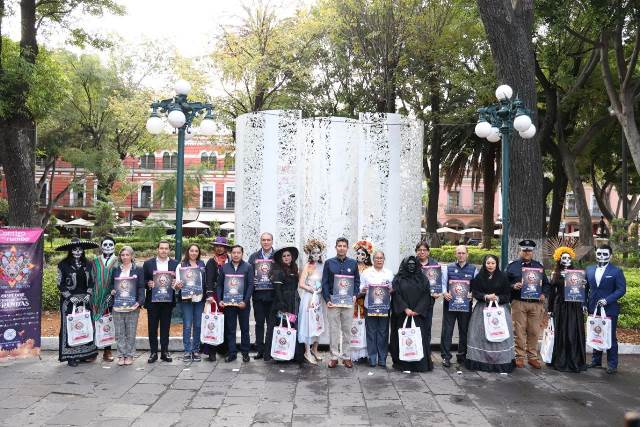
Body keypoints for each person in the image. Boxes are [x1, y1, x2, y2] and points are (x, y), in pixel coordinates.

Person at [465, 255, 514, 373]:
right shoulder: (479, 277)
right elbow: (475, 292)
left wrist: (497, 298)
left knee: (499, 333)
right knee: (480, 334)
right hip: (483, 309)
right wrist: (485, 296)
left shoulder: (503, 277)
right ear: (484, 264)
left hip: (499, 309)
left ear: (496, 264)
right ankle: (480, 360)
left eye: (493, 263)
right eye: (488, 263)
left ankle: (500, 361)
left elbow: (507, 295)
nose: (490, 265)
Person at [506, 240, 550, 369]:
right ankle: (519, 356)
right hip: (519, 302)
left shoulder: (538, 266)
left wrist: (544, 294)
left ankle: (532, 357)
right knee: (518, 331)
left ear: (532, 252)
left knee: (534, 331)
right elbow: (504, 283)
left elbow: (546, 284)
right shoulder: (512, 266)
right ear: (520, 251)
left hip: (535, 303)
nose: (527, 252)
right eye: (524, 250)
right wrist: (513, 286)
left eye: (529, 250)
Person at [55, 238, 99, 366]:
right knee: (70, 326)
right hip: (69, 301)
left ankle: (86, 354)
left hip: (85, 300)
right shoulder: (62, 265)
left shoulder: (88, 263)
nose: (78, 252)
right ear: (70, 250)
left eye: (80, 249)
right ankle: (71, 356)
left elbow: (92, 281)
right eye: (74, 249)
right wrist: (69, 297)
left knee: (85, 325)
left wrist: (89, 294)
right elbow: (60, 283)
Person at [586, 244, 627, 374]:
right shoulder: (589, 269)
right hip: (593, 308)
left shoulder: (616, 271)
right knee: (596, 333)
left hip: (609, 309)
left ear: (610, 255)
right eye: (599, 253)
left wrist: (607, 300)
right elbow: (585, 288)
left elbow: (621, 289)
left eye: (605, 254)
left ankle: (612, 364)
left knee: (610, 336)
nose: (602, 256)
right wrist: (584, 304)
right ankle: (596, 360)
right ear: (596, 254)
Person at [389, 256, 433, 372]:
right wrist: (405, 308)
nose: (411, 266)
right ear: (404, 266)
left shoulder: (423, 278)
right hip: (402, 315)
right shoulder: (398, 279)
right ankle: (403, 364)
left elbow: (426, 295)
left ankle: (419, 364)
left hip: (418, 315)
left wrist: (418, 310)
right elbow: (396, 295)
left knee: (419, 338)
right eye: (409, 264)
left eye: (413, 264)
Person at [322, 237, 360, 368]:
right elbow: (324, 282)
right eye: (339, 246)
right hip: (333, 301)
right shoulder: (329, 263)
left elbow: (357, 281)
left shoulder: (353, 263)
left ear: (347, 248)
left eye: (344, 246)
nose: (342, 248)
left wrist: (355, 294)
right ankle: (334, 356)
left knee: (347, 330)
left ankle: (346, 356)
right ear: (336, 247)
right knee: (333, 330)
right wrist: (327, 299)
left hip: (348, 301)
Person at [547, 246, 586, 373]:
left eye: (569, 258)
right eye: (564, 258)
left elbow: (582, 291)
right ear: (559, 259)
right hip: (561, 306)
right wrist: (550, 309)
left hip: (574, 306)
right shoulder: (555, 273)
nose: (567, 260)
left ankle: (574, 360)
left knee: (573, 332)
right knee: (562, 331)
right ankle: (561, 360)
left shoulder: (578, 273)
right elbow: (552, 293)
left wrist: (583, 285)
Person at [265, 245, 304, 363]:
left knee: (292, 326)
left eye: (288, 255)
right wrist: (282, 304)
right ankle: (280, 354)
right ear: (280, 258)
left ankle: (292, 353)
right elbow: (277, 289)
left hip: (293, 301)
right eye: (284, 256)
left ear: (292, 257)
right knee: (281, 326)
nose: (286, 257)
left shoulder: (294, 269)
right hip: (282, 302)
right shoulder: (278, 271)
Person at [440, 245, 477, 368]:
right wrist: (444, 293)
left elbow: (477, 285)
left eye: (463, 253)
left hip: (465, 305)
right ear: (455, 254)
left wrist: (473, 293)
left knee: (464, 330)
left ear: (467, 254)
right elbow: (443, 283)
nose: (461, 255)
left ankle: (462, 355)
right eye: (459, 253)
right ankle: (446, 357)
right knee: (447, 331)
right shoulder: (448, 268)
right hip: (450, 304)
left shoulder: (473, 269)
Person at [143, 240, 179, 363]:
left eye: (166, 248)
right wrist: (148, 283)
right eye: (161, 248)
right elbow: (143, 281)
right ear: (157, 249)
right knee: (152, 328)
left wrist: (175, 283)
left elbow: (178, 282)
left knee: (165, 327)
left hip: (168, 301)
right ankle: (153, 352)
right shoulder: (148, 264)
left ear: (169, 250)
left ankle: (164, 352)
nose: (164, 250)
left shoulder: (175, 264)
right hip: (153, 301)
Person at [109, 246, 145, 366]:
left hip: (132, 306)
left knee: (130, 332)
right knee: (119, 332)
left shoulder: (138, 269)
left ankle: (129, 355)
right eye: (122, 255)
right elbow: (111, 285)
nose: (125, 257)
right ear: (120, 256)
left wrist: (139, 302)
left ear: (132, 256)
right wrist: (112, 291)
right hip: (118, 305)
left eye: (127, 255)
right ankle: (121, 355)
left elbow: (141, 287)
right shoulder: (115, 269)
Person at [218, 245, 254, 363]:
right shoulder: (224, 267)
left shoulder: (248, 267)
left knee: (245, 329)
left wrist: (246, 301)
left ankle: (245, 353)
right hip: (228, 304)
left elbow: (251, 285)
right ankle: (232, 353)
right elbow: (219, 285)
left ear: (242, 254)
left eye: (238, 252)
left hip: (243, 304)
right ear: (231, 253)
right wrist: (220, 300)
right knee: (230, 329)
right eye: (234, 252)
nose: (236, 255)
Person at [360, 250, 394, 368]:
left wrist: (391, 289)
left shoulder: (389, 273)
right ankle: (372, 358)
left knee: (383, 332)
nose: (379, 260)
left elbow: (393, 288)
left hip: (384, 307)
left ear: (384, 260)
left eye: (381, 258)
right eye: (377, 258)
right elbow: (360, 286)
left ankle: (382, 358)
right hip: (370, 306)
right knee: (371, 332)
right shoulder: (366, 272)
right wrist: (363, 289)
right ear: (373, 260)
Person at [297, 239, 328, 365]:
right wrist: (311, 289)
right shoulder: (307, 266)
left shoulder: (323, 266)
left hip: (319, 298)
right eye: (313, 253)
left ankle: (315, 349)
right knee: (308, 323)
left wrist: (321, 289)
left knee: (318, 322)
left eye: (318, 252)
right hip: (309, 298)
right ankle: (307, 351)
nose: (316, 255)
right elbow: (301, 283)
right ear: (309, 254)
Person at [175, 244, 207, 363]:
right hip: (186, 299)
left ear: (199, 253)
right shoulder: (181, 265)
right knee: (187, 325)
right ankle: (187, 351)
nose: (194, 253)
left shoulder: (202, 265)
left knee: (198, 325)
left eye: (196, 251)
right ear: (188, 252)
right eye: (191, 250)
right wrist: (177, 285)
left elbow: (205, 281)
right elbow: (176, 286)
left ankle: (196, 350)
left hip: (199, 299)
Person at [248, 232, 276, 361]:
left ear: (272, 241)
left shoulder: (277, 256)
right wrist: (253, 279)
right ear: (260, 241)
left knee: (271, 324)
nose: (266, 242)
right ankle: (260, 349)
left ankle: (270, 350)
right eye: (263, 240)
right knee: (259, 323)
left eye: (268, 240)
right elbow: (248, 274)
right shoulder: (254, 257)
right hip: (258, 296)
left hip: (272, 296)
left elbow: (281, 273)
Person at [90, 236, 117, 362]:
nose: (107, 247)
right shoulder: (95, 261)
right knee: (93, 323)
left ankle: (107, 350)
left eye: (110, 244)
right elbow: (90, 278)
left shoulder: (118, 261)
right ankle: (92, 351)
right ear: (101, 247)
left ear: (114, 247)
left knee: (108, 323)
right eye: (105, 245)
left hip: (110, 297)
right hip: (95, 297)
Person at [415, 241, 441, 368]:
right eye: (419, 250)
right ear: (416, 252)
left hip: (429, 301)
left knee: (427, 327)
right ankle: (415, 351)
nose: (422, 252)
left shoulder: (435, 265)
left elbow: (439, 282)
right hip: (415, 301)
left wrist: (438, 292)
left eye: (424, 250)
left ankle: (426, 353)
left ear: (428, 252)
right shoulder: (412, 263)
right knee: (415, 327)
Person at [351, 240, 373, 363]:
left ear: (367, 256)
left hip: (366, 300)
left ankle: (365, 353)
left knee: (365, 326)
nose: (360, 256)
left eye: (363, 254)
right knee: (354, 325)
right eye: (358, 253)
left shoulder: (370, 269)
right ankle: (354, 353)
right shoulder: (352, 266)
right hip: (354, 300)